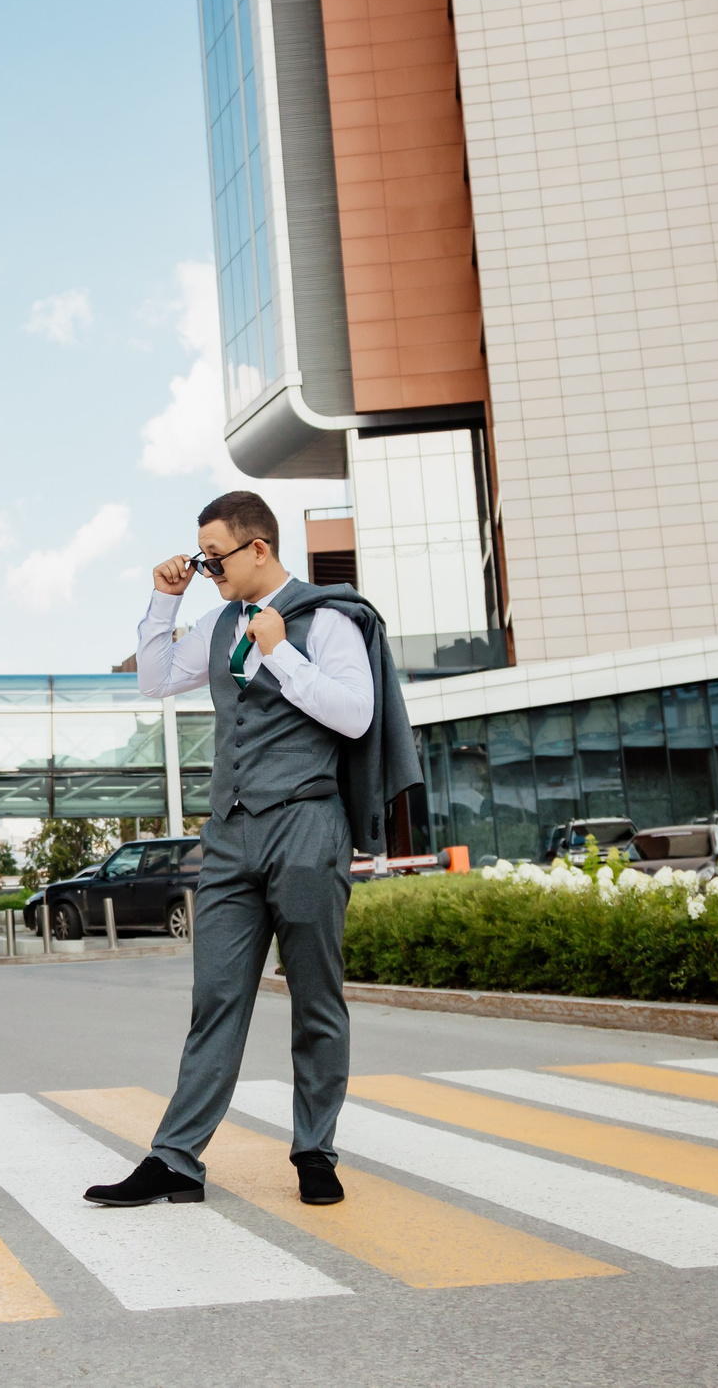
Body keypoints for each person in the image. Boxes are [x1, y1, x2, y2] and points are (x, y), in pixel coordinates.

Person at [85, 489, 420, 1211]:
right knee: (215, 998)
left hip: (305, 823)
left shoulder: (327, 616)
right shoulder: (215, 620)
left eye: (215, 560)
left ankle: (315, 1150)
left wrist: (281, 652)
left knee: (315, 997)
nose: (208, 571)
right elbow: (152, 680)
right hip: (231, 834)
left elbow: (355, 714)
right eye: (200, 561)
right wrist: (163, 602)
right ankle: (176, 1158)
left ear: (258, 548)